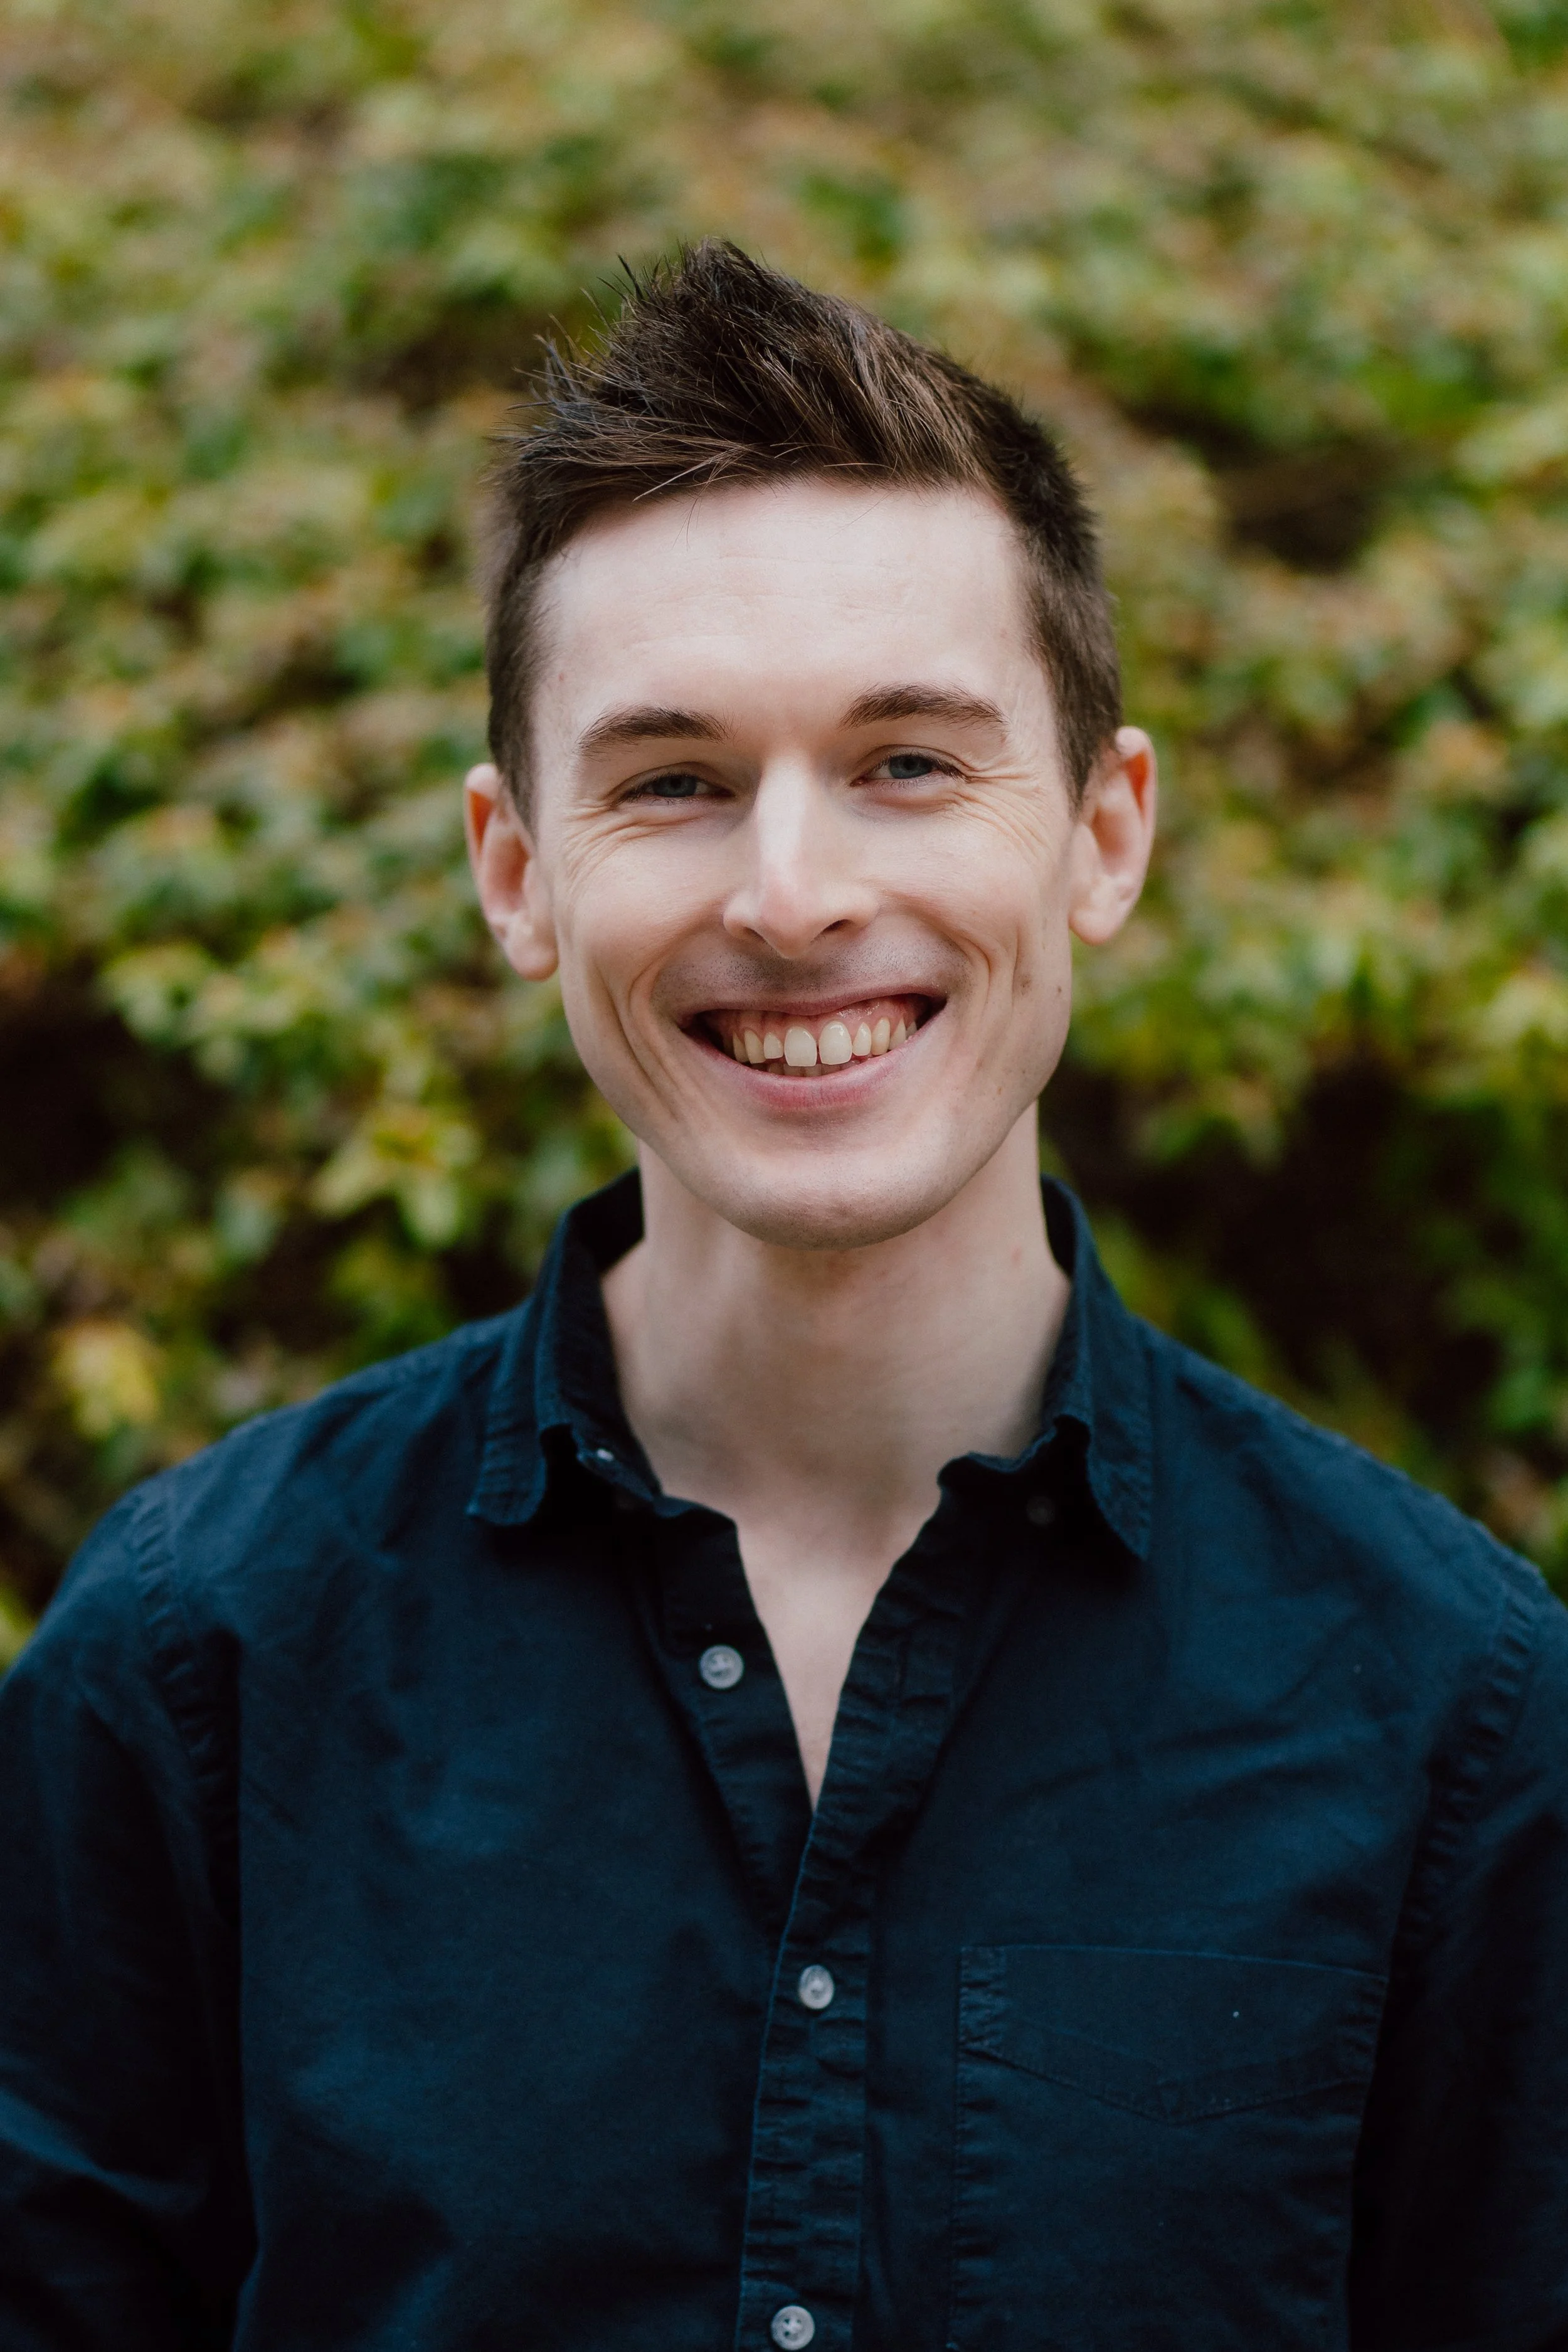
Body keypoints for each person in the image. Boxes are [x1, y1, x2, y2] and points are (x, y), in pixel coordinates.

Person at [1, 240, 1565, 2352]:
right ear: (515, 872)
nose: (794, 890)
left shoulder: (1454, 1709)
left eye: (911, 760)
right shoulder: (194, 1665)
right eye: (672, 779)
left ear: (1102, 832)